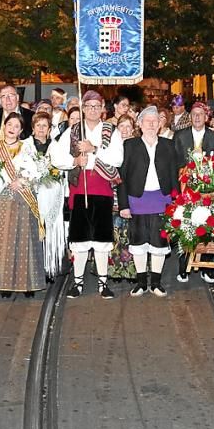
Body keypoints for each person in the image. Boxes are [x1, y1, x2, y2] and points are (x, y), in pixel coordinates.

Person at [51, 90, 124, 298]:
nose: (92, 109)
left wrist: (94, 149)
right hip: (80, 188)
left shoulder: (111, 130)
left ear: (102, 109)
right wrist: (75, 161)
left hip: (102, 189)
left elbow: (118, 159)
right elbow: (56, 157)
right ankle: (78, 282)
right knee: (80, 238)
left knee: (101, 239)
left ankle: (103, 283)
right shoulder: (73, 130)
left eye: (96, 106)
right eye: (88, 106)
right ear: (83, 109)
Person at [118, 106, 176, 296]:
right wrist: (124, 204)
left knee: (159, 242)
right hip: (137, 199)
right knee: (139, 242)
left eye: (155, 121)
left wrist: (177, 202)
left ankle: (156, 283)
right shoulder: (130, 145)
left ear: (160, 124)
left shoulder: (168, 145)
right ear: (140, 124)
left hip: (162, 198)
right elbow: (122, 177)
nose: (151, 124)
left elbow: (174, 175)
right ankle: (141, 282)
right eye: (147, 121)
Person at [0, 112, 47, 296]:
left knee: (25, 239)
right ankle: (4, 284)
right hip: (2, 199)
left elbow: (36, 170)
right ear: (4, 127)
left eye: (16, 126)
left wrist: (22, 180)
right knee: (3, 241)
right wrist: (5, 181)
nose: (11, 129)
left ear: (21, 130)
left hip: (23, 197)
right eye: (9, 125)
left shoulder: (27, 147)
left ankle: (28, 284)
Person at [172, 101, 214, 283]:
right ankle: (183, 267)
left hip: (208, 189)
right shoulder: (180, 136)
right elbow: (174, 162)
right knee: (185, 225)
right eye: (194, 114)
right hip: (186, 188)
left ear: (207, 117)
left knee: (207, 225)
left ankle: (206, 267)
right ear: (189, 117)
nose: (197, 117)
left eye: (201, 114)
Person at [26, 111, 70, 280]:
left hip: (52, 195)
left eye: (45, 125)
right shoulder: (26, 145)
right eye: (38, 125)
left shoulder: (56, 146)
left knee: (51, 231)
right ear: (33, 128)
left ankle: (50, 266)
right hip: (32, 195)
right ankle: (33, 269)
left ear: (50, 128)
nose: (41, 129)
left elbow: (64, 164)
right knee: (32, 231)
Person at [106, 114, 138, 284]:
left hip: (133, 191)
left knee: (132, 233)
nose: (125, 130)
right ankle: (115, 270)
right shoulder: (112, 144)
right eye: (121, 126)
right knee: (115, 233)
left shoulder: (137, 145)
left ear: (133, 128)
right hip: (114, 191)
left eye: (128, 126)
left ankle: (132, 271)